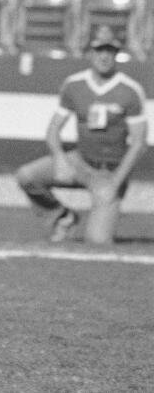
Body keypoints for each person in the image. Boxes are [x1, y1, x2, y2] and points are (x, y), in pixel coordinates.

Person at [15, 25, 147, 244]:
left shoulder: (130, 90)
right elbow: (53, 130)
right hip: (81, 160)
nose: (104, 56)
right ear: (90, 53)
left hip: (109, 170)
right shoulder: (74, 85)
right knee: (27, 176)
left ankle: (101, 213)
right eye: (99, 50)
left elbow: (139, 143)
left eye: (109, 51)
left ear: (117, 54)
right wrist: (60, 159)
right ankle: (61, 216)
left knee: (97, 242)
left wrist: (115, 182)